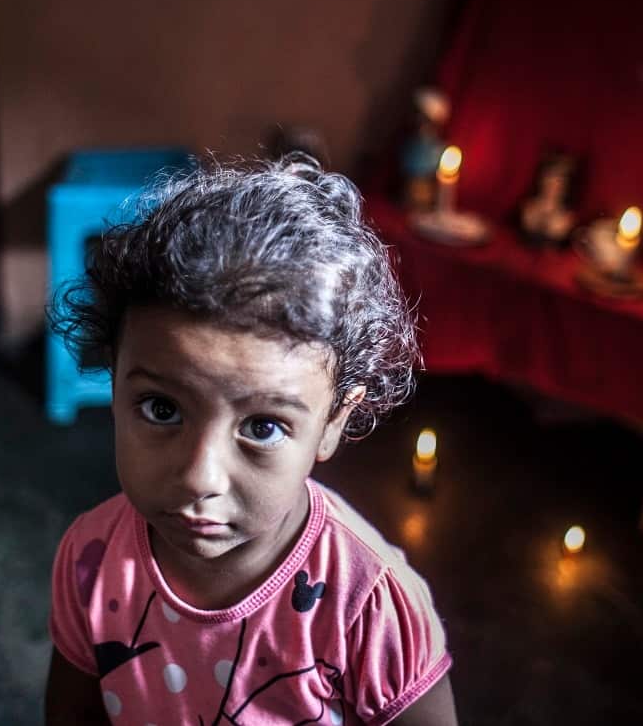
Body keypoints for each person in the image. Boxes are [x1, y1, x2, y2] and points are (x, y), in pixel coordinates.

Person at [45, 153, 458, 725]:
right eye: (162, 409)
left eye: (263, 426)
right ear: (114, 380)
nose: (200, 477)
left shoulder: (368, 607)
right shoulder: (91, 562)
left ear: (335, 421)